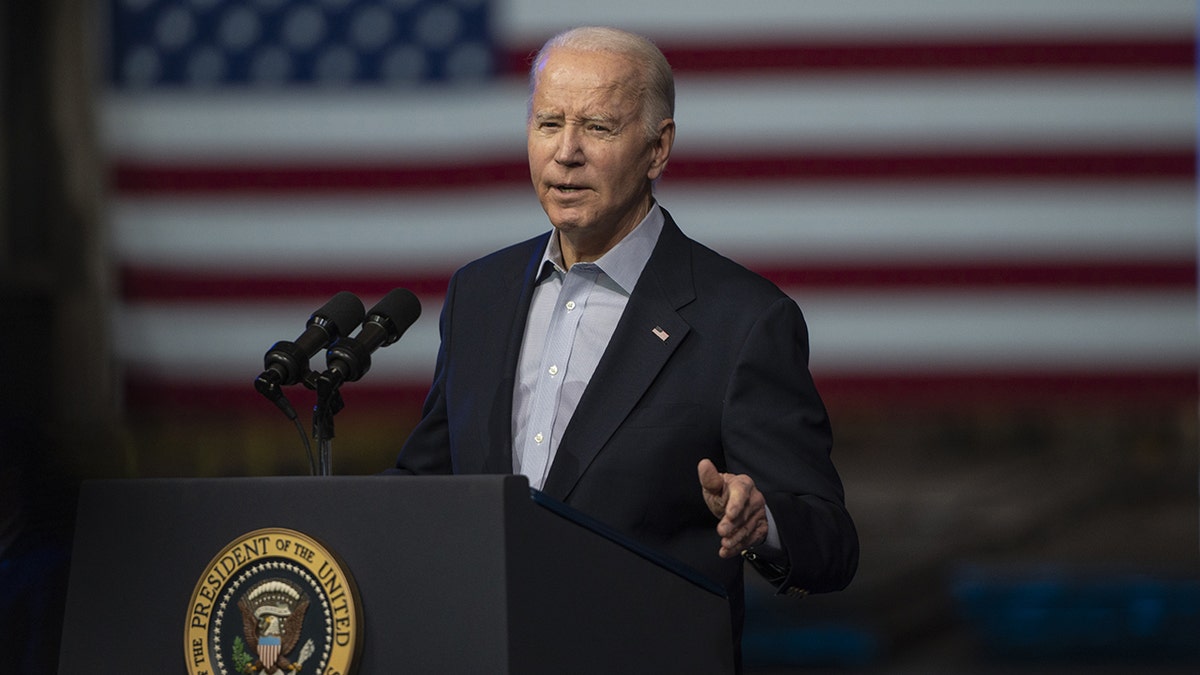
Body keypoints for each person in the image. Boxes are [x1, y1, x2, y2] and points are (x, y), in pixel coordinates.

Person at [390, 25, 858, 658]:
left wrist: (760, 523)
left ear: (657, 149)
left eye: (598, 128)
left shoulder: (743, 320)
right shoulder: (480, 294)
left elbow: (830, 540)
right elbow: (423, 492)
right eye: (548, 123)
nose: (566, 153)